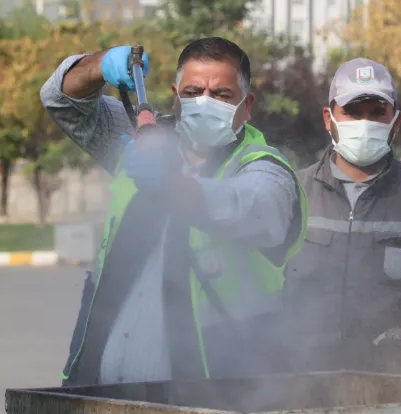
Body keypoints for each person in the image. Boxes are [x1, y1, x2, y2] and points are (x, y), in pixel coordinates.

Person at [40, 37, 308, 386]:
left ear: (247, 105)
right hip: (99, 398)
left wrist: (171, 185)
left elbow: (246, 204)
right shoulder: (143, 141)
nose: (204, 103)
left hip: (210, 406)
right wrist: (101, 65)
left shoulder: (265, 169)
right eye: (193, 91)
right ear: (175, 96)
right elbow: (61, 100)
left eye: (222, 94)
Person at [284, 58, 401, 380]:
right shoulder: (293, 193)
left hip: (400, 392)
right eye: (353, 112)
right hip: (304, 387)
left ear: (395, 122)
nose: (365, 123)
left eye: (377, 113)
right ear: (328, 118)